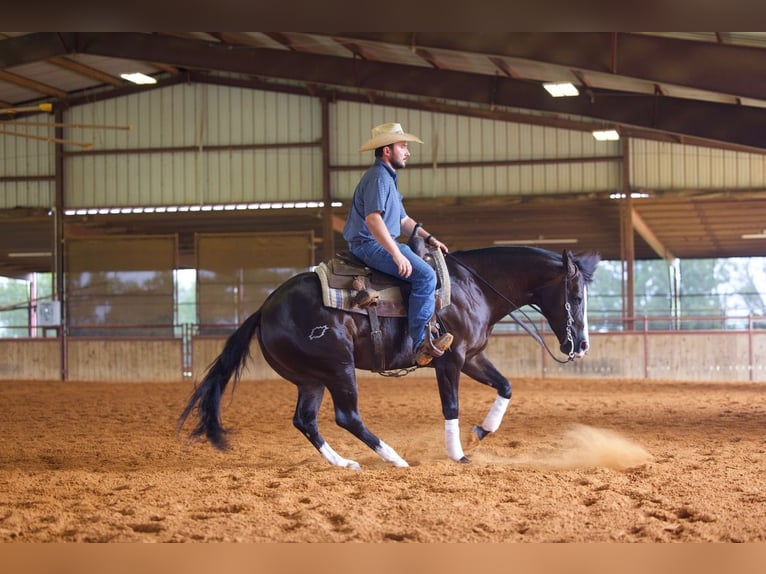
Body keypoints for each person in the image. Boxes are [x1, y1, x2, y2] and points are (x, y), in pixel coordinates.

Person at [342, 122, 453, 366]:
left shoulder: (388, 178)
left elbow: (403, 220)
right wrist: (396, 254)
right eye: (402, 145)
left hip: (377, 242)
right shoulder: (379, 177)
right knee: (425, 276)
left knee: (420, 266)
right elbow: (373, 219)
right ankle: (421, 343)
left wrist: (429, 238)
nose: (407, 151)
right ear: (387, 150)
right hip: (369, 244)